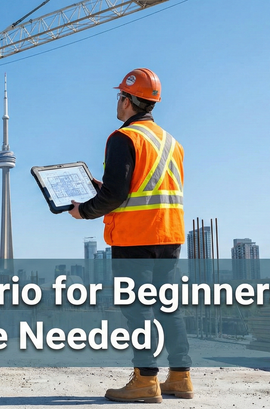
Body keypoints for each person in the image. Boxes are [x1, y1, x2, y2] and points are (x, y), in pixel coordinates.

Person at [68, 68, 193, 403]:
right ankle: (180, 378)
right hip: (169, 235)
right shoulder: (171, 142)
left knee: (137, 310)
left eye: (120, 96)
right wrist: (101, 188)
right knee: (169, 308)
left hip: (136, 237)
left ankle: (145, 380)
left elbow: (116, 196)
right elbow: (144, 186)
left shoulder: (123, 138)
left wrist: (83, 211)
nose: (118, 102)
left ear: (130, 100)